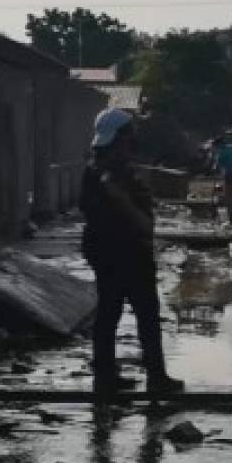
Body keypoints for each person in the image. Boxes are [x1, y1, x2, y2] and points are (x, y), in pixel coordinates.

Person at [80, 108, 184, 400]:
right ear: (119, 138)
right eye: (128, 135)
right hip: (125, 252)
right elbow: (133, 218)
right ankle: (153, 378)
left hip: (111, 252)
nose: (131, 141)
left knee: (111, 315)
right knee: (143, 316)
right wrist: (127, 207)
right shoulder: (111, 175)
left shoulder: (100, 171)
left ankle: (107, 378)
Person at [210, 134, 232, 224]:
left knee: (229, 197)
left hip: (230, 175)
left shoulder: (221, 152)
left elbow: (217, 167)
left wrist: (214, 169)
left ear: (217, 145)